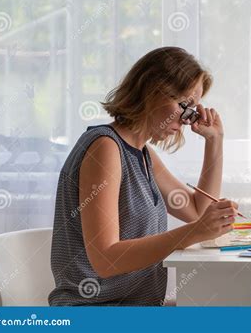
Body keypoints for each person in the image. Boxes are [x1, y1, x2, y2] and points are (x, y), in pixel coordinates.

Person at [48, 46, 239, 306]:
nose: (187, 119)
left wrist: (215, 141)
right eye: (184, 105)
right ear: (151, 90)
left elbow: (196, 210)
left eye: (192, 110)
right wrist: (192, 233)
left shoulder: (142, 154)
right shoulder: (105, 148)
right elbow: (105, 259)